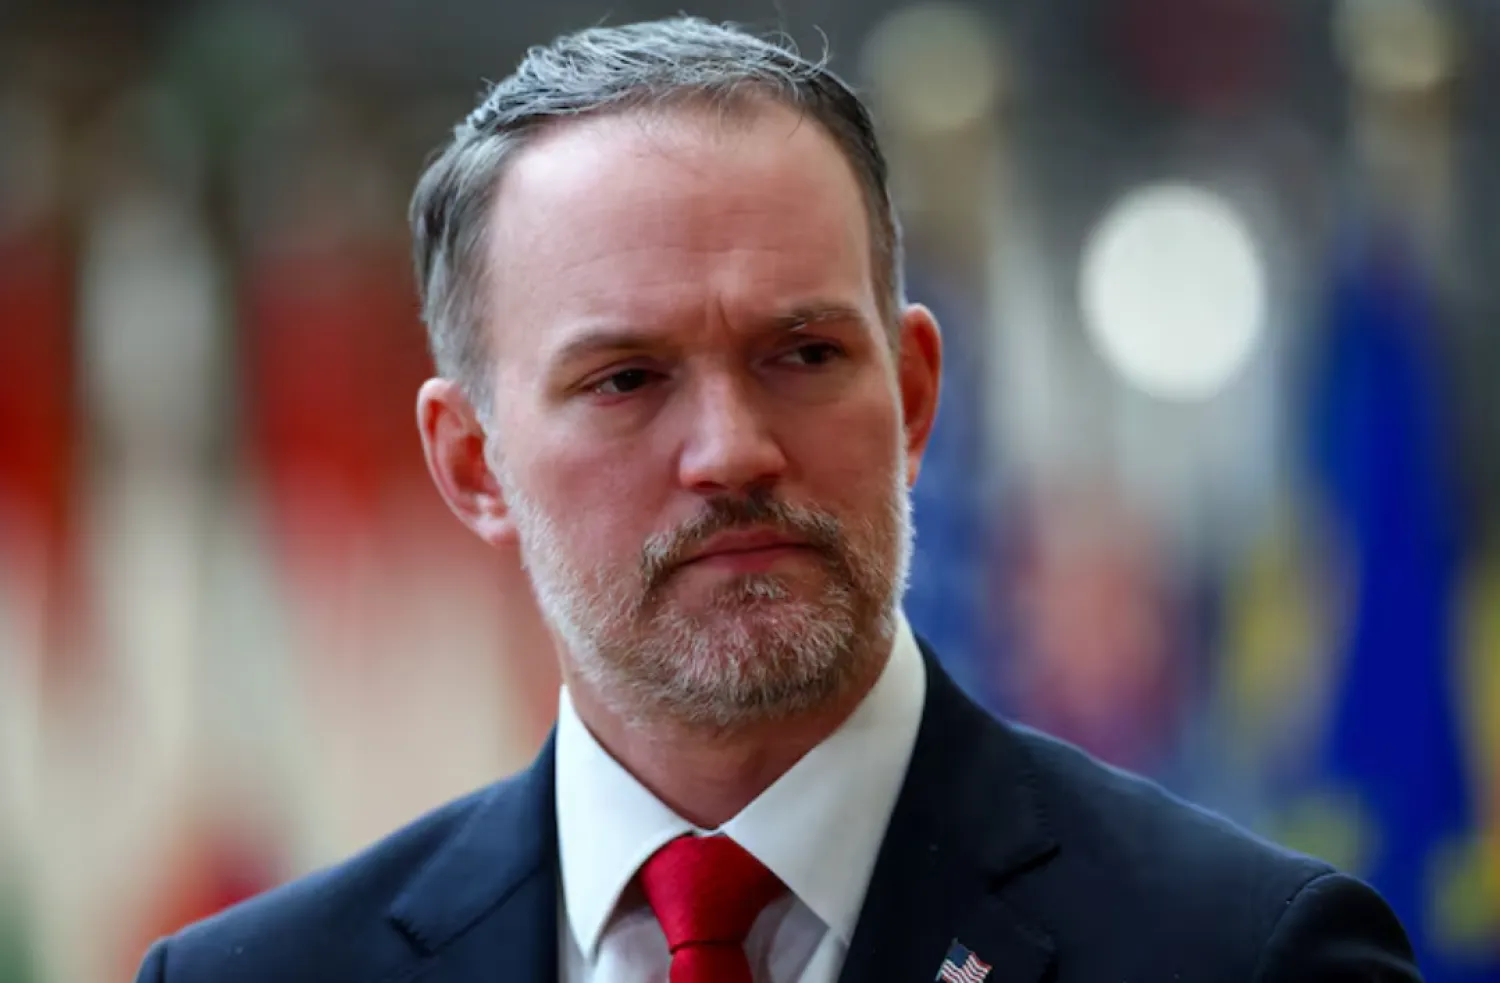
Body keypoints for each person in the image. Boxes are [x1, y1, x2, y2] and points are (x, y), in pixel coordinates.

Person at [133, 17, 1421, 983]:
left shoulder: (1248, 960)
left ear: (914, 397)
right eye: (627, 378)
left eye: (802, 357)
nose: (732, 450)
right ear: (471, 463)